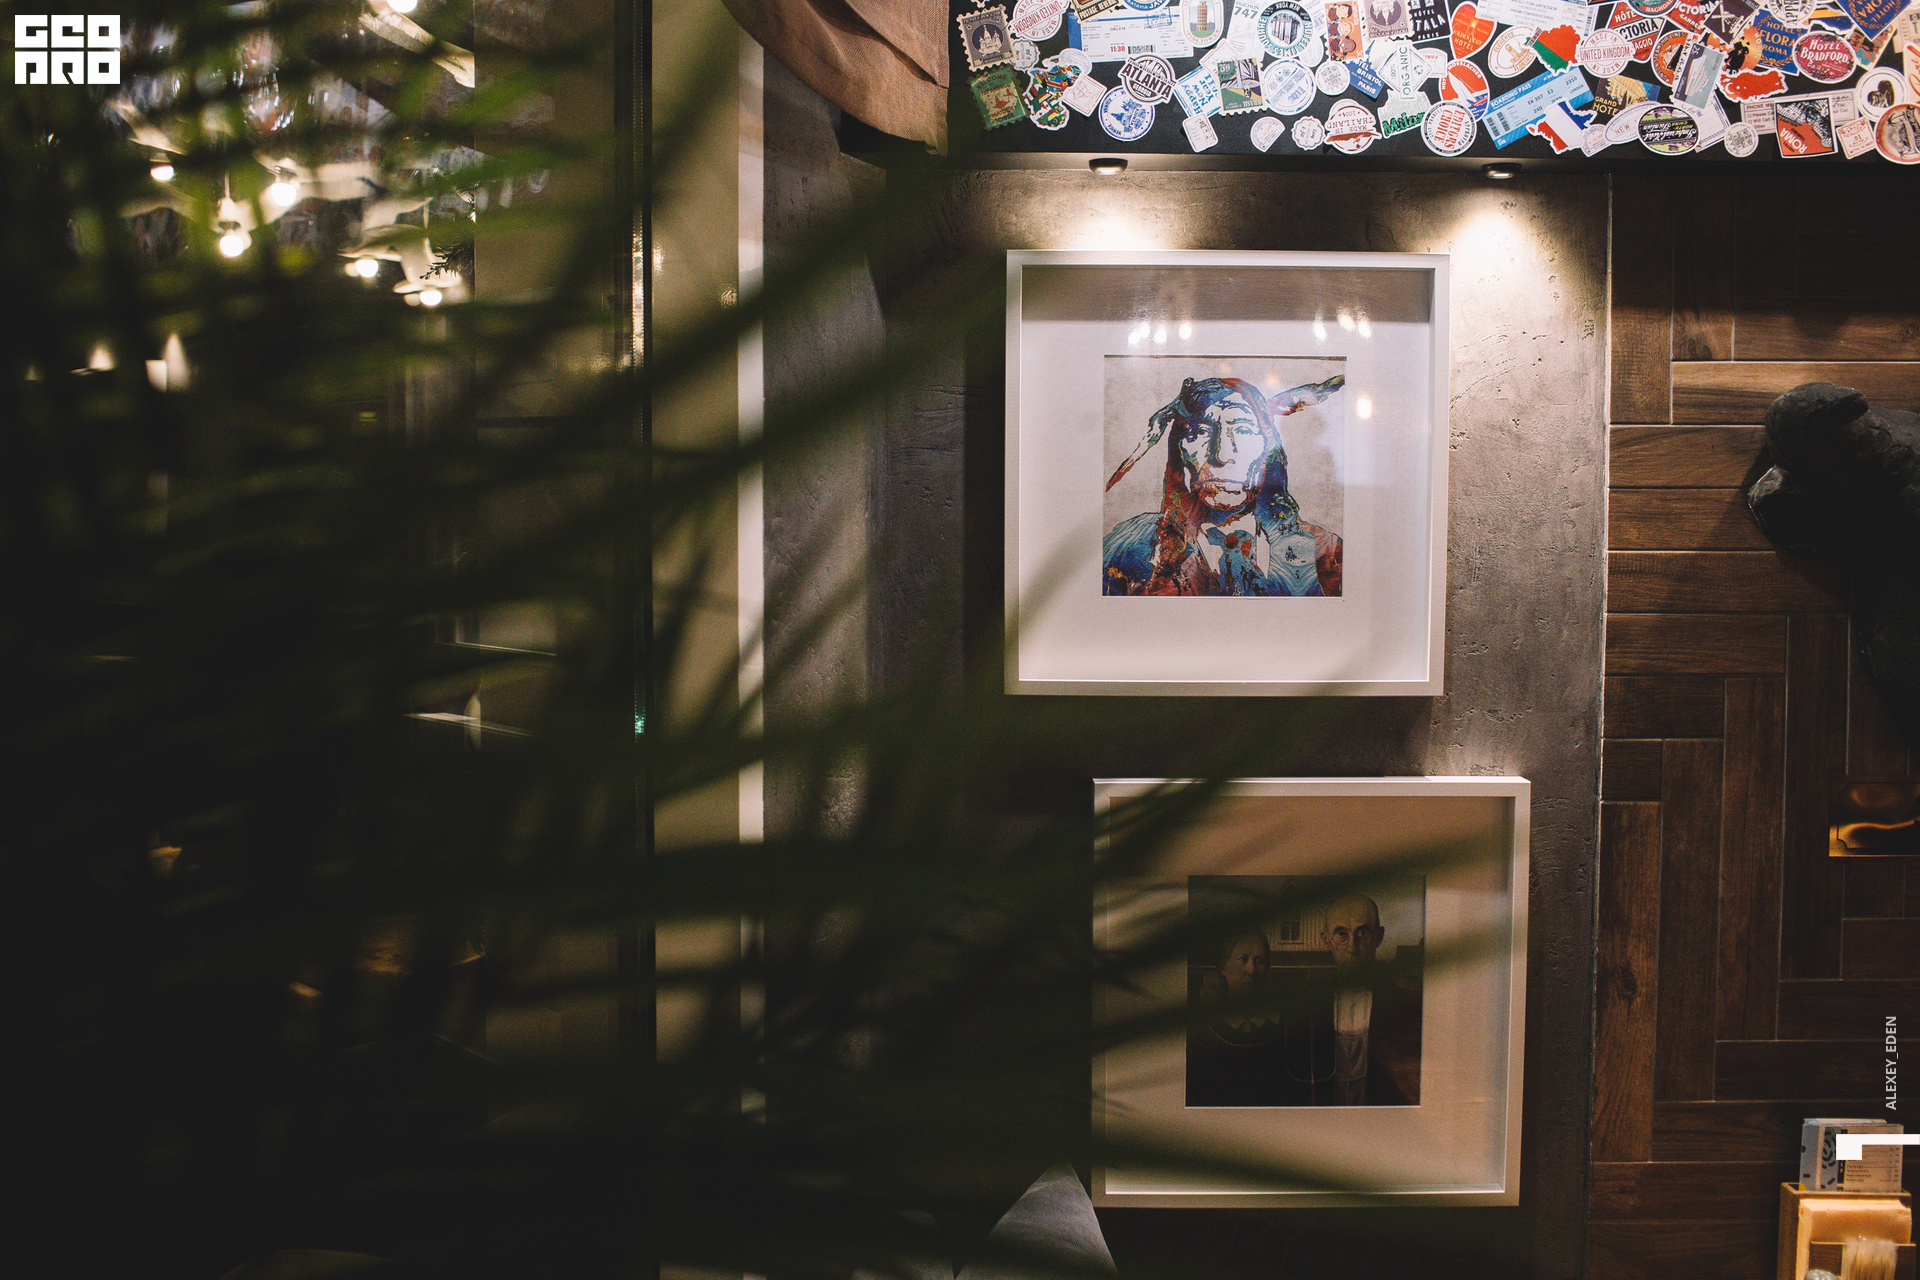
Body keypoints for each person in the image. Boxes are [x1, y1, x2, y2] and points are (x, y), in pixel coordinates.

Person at [1102, 375, 1344, 597]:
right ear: (1180, 449)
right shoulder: (1128, 547)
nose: (1223, 454)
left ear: (1268, 450)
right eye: (1202, 432)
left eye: (1243, 430)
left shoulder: (1325, 552)